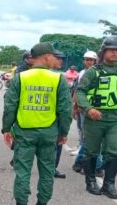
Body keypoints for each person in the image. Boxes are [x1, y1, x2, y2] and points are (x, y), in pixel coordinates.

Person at [2, 42, 72, 205]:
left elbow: (10, 106)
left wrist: (6, 128)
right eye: (53, 56)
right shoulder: (58, 79)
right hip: (49, 131)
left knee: (23, 169)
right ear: (46, 56)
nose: (55, 59)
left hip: (25, 131)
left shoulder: (21, 77)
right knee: (47, 170)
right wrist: (64, 132)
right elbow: (65, 109)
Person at [76, 36, 117, 199]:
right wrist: (88, 109)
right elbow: (80, 92)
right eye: (111, 50)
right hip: (95, 117)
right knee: (91, 150)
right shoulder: (93, 72)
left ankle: (109, 184)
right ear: (104, 52)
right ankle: (90, 181)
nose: (115, 53)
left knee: (116, 150)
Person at [72, 51, 103, 175]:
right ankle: (92, 165)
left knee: (92, 137)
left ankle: (80, 162)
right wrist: (75, 107)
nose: (87, 62)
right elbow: (77, 91)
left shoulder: (99, 72)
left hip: (96, 108)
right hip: (85, 109)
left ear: (95, 61)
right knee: (91, 137)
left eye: (90, 60)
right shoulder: (82, 73)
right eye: (86, 59)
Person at [53, 50, 67, 179]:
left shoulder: (61, 76)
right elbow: (65, 106)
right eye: (58, 58)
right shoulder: (59, 78)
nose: (60, 61)